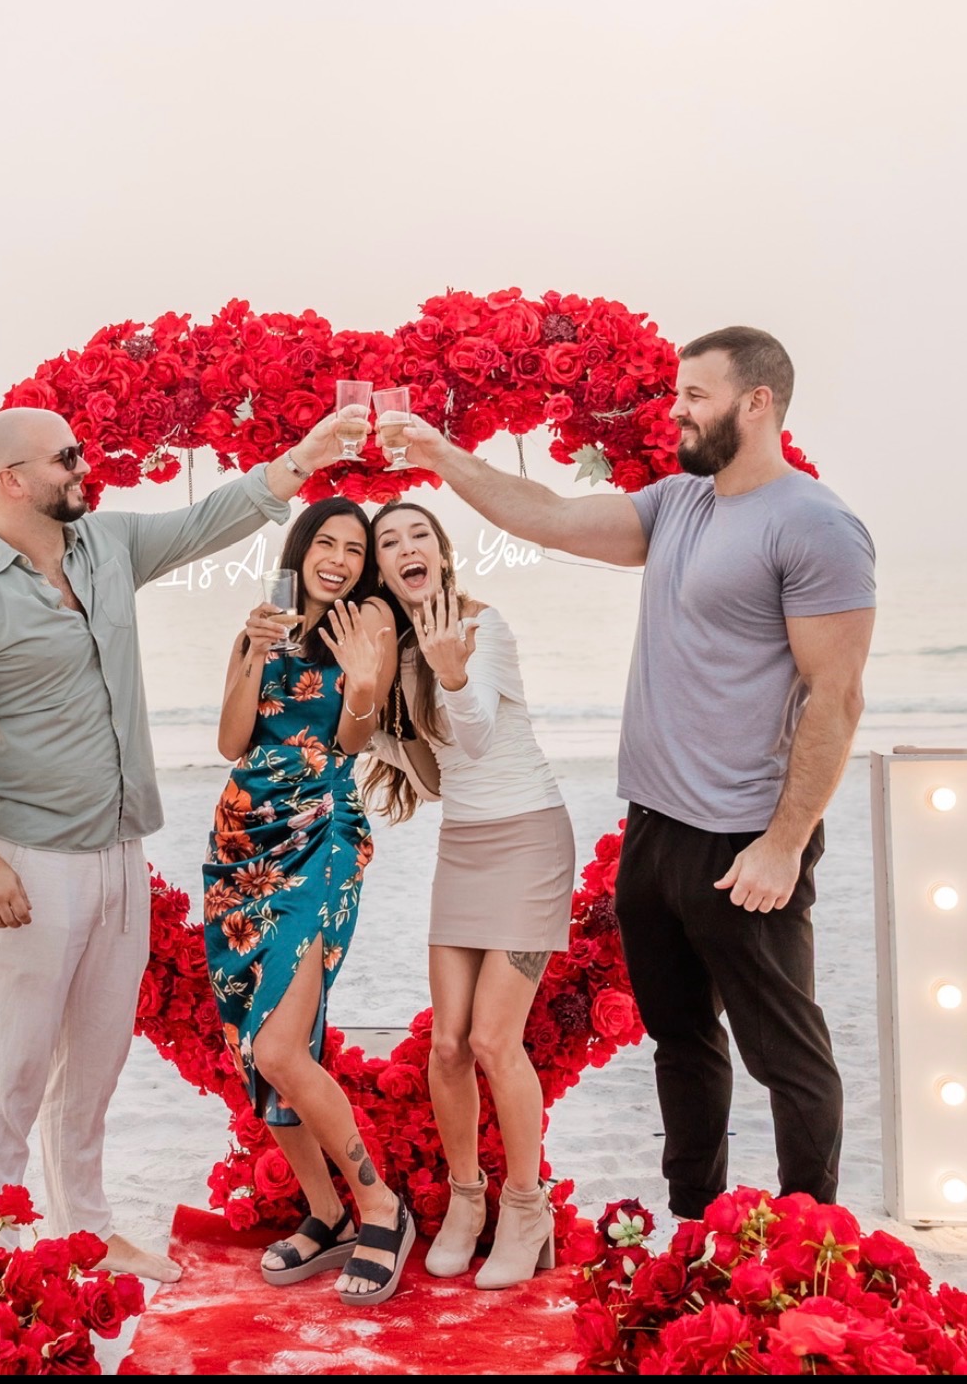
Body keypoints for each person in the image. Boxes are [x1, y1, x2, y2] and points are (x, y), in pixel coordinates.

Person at [387, 326, 876, 1220]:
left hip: (743, 836)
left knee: (786, 1053)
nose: (676, 409)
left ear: (756, 402)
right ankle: (694, 1221)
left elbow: (834, 698)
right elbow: (543, 513)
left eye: (696, 394)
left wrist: (782, 841)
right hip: (655, 827)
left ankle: (811, 1242)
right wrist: (435, 452)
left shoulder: (816, 524)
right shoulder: (679, 503)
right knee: (679, 1039)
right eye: (677, 392)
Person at [0, 403, 346, 1281]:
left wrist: (301, 459)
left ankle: (88, 1230)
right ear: (9, 481)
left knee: (97, 1057)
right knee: (13, 1063)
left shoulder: (106, 545)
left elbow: (203, 521)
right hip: (28, 857)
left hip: (119, 849)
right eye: (64, 456)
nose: (83, 465)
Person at [203, 498, 416, 1307]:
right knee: (257, 1051)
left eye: (353, 549)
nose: (337, 558)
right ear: (300, 549)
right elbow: (231, 741)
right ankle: (324, 1213)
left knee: (284, 1047)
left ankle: (378, 1208)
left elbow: (355, 740)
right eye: (324, 542)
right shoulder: (262, 623)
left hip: (319, 836)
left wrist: (362, 683)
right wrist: (250, 655)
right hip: (238, 843)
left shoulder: (368, 629)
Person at [362, 501, 576, 1289]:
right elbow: (430, 771)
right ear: (381, 571)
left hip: (528, 839)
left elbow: (479, 734)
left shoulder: (484, 625)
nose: (405, 547)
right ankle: (465, 1201)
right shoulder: (398, 651)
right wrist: (369, 709)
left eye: (418, 534)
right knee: (445, 1045)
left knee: (492, 1040)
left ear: (442, 554)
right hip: (465, 846)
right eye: (389, 542)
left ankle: (526, 1206)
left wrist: (451, 670)